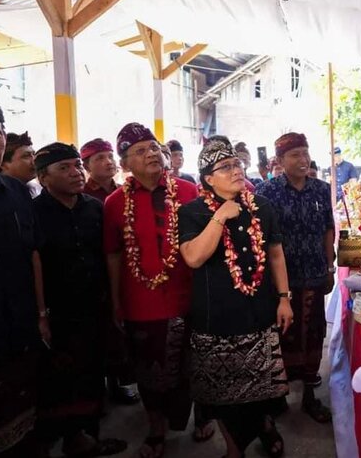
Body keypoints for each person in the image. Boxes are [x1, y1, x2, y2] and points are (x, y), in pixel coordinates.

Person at [179, 141, 293, 458]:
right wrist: (220, 217)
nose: (236, 171)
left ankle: (267, 428)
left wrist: (284, 298)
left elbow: (275, 254)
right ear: (208, 179)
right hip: (216, 317)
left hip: (259, 310)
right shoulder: (192, 212)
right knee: (222, 395)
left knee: (263, 388)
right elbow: (193, 257)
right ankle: (233, 449)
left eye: (236, 164)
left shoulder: (262, 206)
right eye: (225, 167)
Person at [103, 122, 206, 458]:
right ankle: (156, 428)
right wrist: (117, 302)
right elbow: (114, 255)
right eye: (139, 151)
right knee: (149, 373)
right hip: (140, 304)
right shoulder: (115, 203)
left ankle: (203, 416)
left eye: (153, 147)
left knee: (197, 365)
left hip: (189, 298)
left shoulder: (189, 192)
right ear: (125, 164)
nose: (151, 154)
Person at [32, 143, 127, 457]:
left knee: (92, 374)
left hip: (94, 307)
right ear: (43, 178)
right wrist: (42, 314)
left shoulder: (94, 208)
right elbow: (32, 266)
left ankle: (85, 437)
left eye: (76, 165)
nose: (75, 173)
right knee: (60, 378)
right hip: (58, 313)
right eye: (64, 168)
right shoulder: (34, 214)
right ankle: (63, 439)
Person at [0, 97, 44, 457]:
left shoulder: (17, 192)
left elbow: (32, 254)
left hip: (19, 330)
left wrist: (41, 315)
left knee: (22, 422)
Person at [256, 132, 335, 424]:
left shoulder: (321, 189)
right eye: (295, 155)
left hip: (314, 275)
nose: (303, 160)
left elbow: (329, 230)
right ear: (280, 161)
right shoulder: (266, 193)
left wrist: (329, 267)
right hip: (281, 281)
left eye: (305, 153)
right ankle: (277, 394)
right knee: (281, 335)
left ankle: (310, 397)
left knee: (313, 333)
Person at [80, 138, 140, 406]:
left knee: (121, 331)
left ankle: (120, 381)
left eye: (109, 156)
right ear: (87, 166)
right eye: (99, 158)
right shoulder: (82, 195)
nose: (107, 162)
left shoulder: (125, 192)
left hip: (124, 269)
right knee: (98, 331)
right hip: (94, 272)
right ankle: (99, 389)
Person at [0, 130, 41, 197]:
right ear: (3, 164)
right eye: (26, 156)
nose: (34, 160)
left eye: (34, 154)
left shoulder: (35, 189)